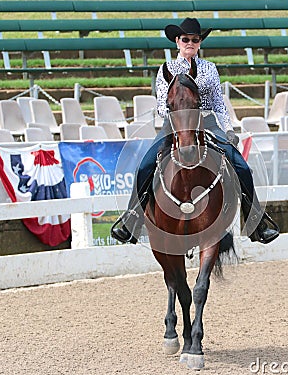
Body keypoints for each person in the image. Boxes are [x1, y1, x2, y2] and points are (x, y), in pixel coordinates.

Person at [111, 17, 279, 244]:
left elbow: (218, 103)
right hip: (174, 125)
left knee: (241, 165)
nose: (190, 43)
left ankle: (256, 223)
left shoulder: (209, 69)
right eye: (186, 39)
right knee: (145, 165)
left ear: (200, 43)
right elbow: (161, 104)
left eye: (195, 39)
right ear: (177, 42)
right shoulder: (167, 69)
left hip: (207, 123)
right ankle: (132, 221)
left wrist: (228, 129)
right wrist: (175, 113)